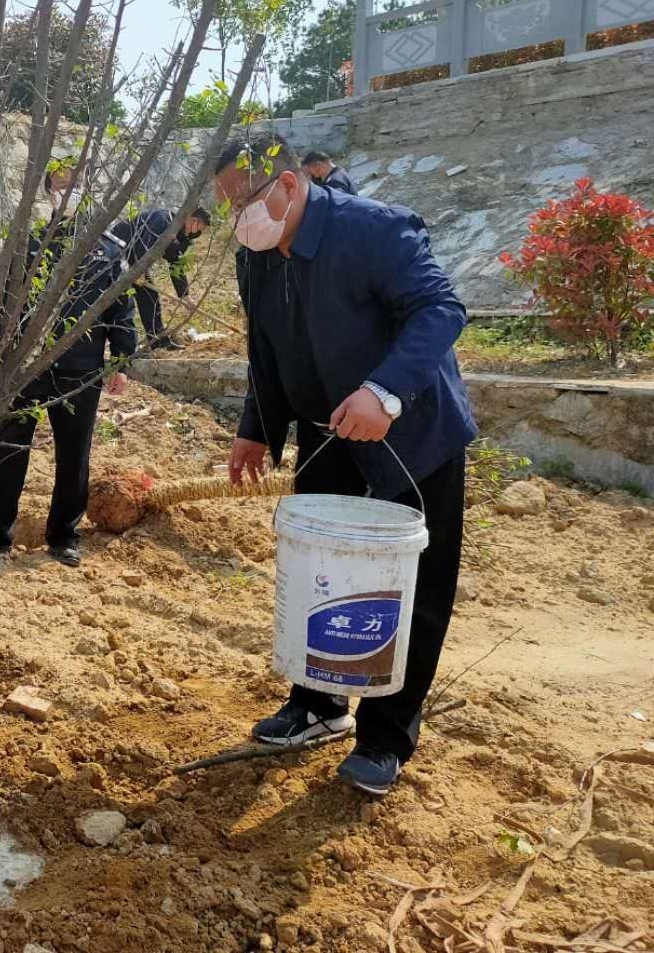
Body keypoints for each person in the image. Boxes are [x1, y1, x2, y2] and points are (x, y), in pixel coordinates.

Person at [216, 133, 477, 796]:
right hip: (329, 434)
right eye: (227, 206)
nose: (237, 217)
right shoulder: (256, 260)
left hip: (409, 431)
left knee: (411, 587)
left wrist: (384, 391)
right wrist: (255, 429)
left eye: (245, 200)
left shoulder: (374, 230)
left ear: (289, 187)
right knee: (321, 573)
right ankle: (319, 703)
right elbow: (265, 352)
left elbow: (441, 309)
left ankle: (386, 737)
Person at [0, 163, 137, 567]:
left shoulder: (108, 252)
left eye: (75, 183)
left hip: (80, 369)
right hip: (25, 369)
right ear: (48, 191)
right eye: (59, 183)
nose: (67, 189)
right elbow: (6, 305)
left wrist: (122, 360)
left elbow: (120, 309)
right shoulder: (31, 245)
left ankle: (63, 535)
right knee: (8, 447)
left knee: (74, 454)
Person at [117, 205, 209, 350]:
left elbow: (175, 264)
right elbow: (143, 242)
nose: (198, 233)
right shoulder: (163, 218)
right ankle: (125, 350)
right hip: (119, 252)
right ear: (192, 220)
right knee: (122, 303)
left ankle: (158, 342)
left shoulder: (183, 237)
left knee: (150, 297)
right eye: (199, 228)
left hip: (137, 263)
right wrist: (137, 270)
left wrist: (184, 295)